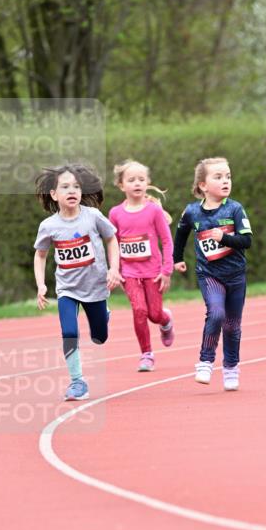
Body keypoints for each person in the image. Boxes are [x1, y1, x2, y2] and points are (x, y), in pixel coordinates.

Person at [34, 164, 121, 401]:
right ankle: (77, 382)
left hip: (95, 288)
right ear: (54, 194)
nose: (72, 191)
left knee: (99, 337)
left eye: (76, 187)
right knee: (69, 331)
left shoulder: (92, 217)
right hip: (67, 290)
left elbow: (112, 239)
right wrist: (41, 285)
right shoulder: (49, 226)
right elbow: (40, 255)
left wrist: (114, 269)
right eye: (65, 187)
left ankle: (103, 313)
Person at [173, 157, 252, 391]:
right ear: (202, 186)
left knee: (232, 325)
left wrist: (224, 238)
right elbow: (181, 234)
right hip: (209, 275)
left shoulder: (235, 209)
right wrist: (177, 259)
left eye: (228, 176)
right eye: (218, 177)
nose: (225, 180)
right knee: (216, 313)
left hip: (236, 276)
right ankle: (206, 361)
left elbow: (246, 241)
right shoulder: (192, 212)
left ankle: (230, 367)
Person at [109, 159, 174, 372]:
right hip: (129, 273)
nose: (137, 183)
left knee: (154, 314)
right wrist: (115, 270)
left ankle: (166, 320)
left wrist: (166, 270)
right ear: (121, 185)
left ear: (147, 182)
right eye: (131, 180)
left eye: (141, 179)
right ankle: (146, 354)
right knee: (139, 310)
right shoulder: (115, 213)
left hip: (153, 273)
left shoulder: (153, 211)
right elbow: (114, 244)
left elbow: (166, 240)